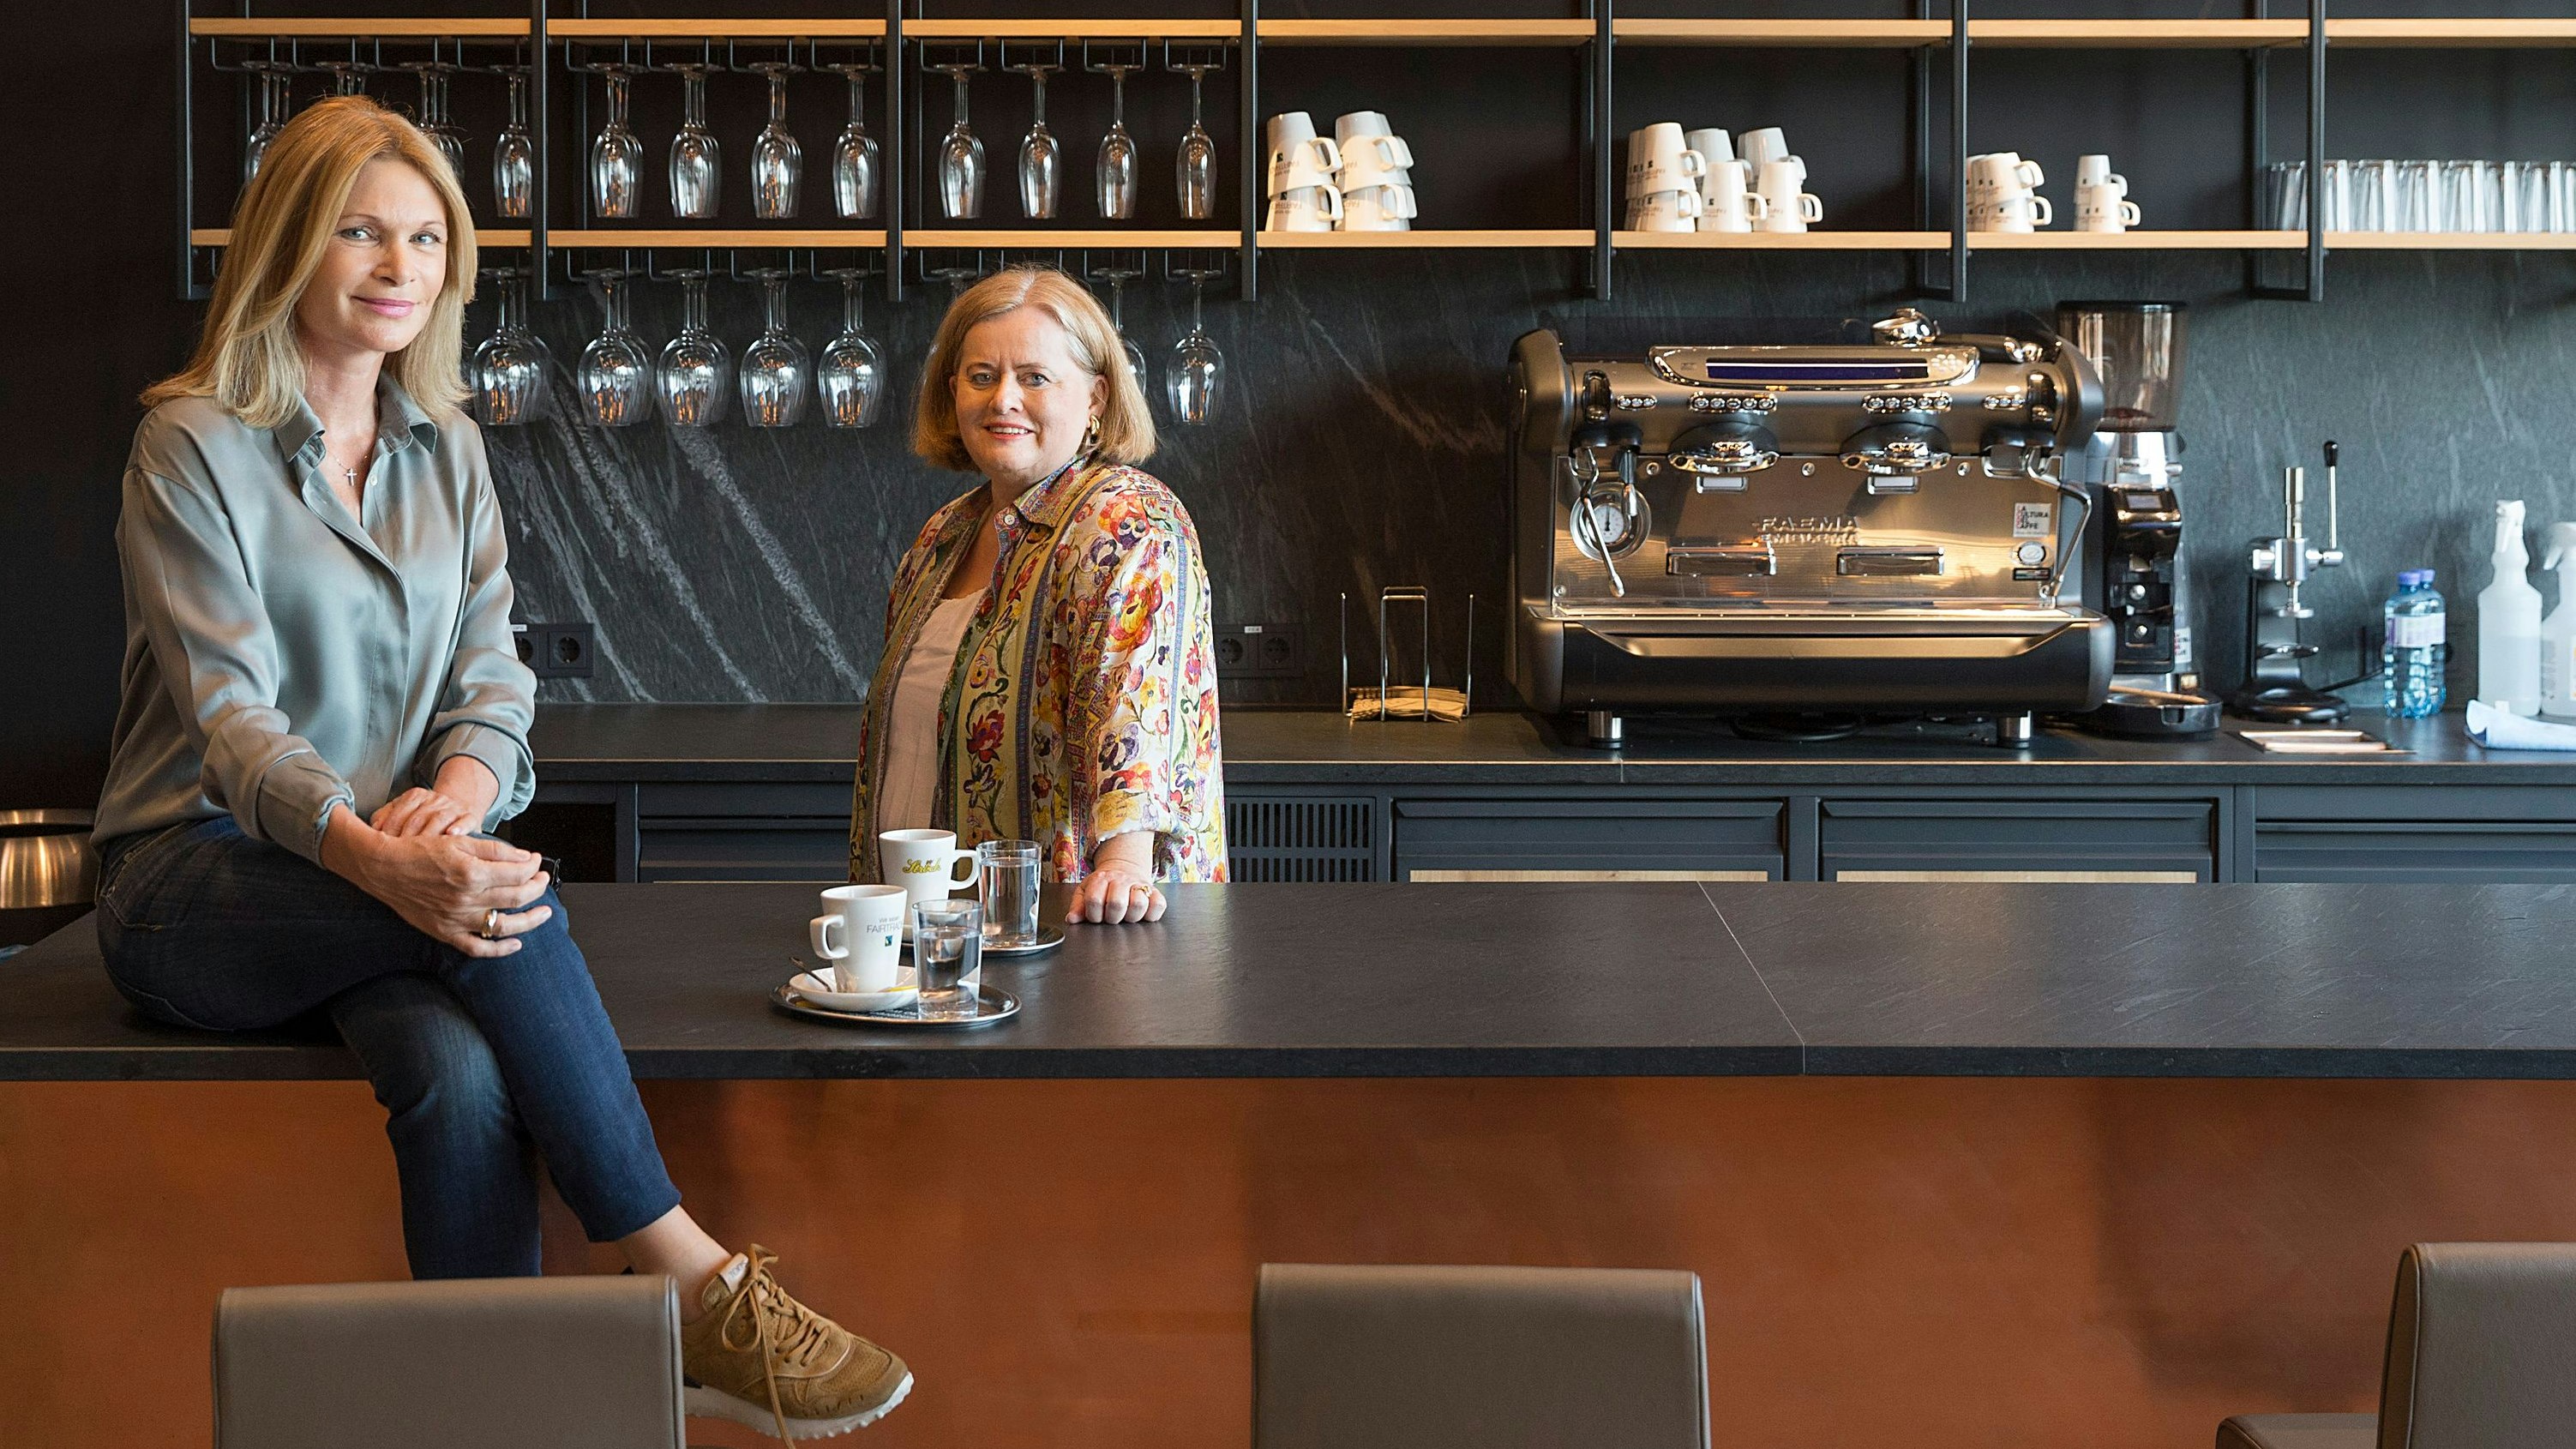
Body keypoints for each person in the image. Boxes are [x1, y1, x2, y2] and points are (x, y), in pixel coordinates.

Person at [93, 96, 906, 1441]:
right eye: (357, 231)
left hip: (390, 876)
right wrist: (378, 855)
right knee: (501, 908)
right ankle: (697, 1280)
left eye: (422, 237)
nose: (396, 264)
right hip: (194, 879)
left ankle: (499, 1416)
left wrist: (460, 801)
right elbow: (230, 719)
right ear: (288, 244)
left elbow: (494, 674)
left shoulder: (448, 446)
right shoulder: (191, 445)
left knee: (460, 1080)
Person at [849, 267, 1226, 922]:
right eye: (980, 376)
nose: (1003, 400)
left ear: (1097, 399)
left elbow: (1134, 695)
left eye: (1034, 377)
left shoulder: (1123, 518)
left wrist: (1126, 866)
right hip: (933, 929)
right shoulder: (945, 534)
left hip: (1080, 925)